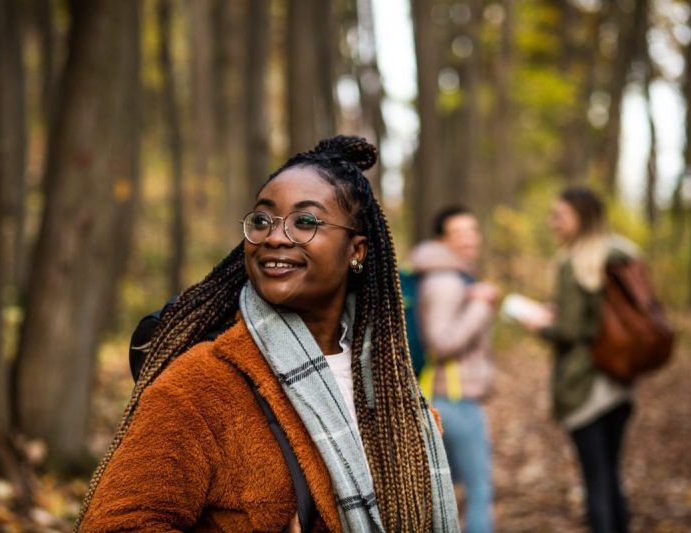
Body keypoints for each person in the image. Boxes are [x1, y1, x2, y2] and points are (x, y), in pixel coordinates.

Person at [76, 136, 460, 532]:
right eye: (262, 220)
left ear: (356, 250)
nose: (275, 237)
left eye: (305, 221)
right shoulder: (201, 385)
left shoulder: (391, 391)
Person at [523, 186, 636, 533]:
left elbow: (570, 332)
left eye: (560, 216)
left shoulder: (575, 264)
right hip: (619, 381)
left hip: (584, 385)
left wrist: (540, 326)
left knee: (595, 482)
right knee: (611, 477)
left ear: (581, 219)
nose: (552, 222)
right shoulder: (622, 254)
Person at [409, 206, 499, 533]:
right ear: (441, 240)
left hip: (444, 396)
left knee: (441, 494)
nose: (468, 239)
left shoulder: (449, 276)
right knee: (479, 492)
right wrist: (480, 305)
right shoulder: (445, 280)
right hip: (454, 399)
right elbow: (441, 342)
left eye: (472, 231)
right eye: (458, 233)